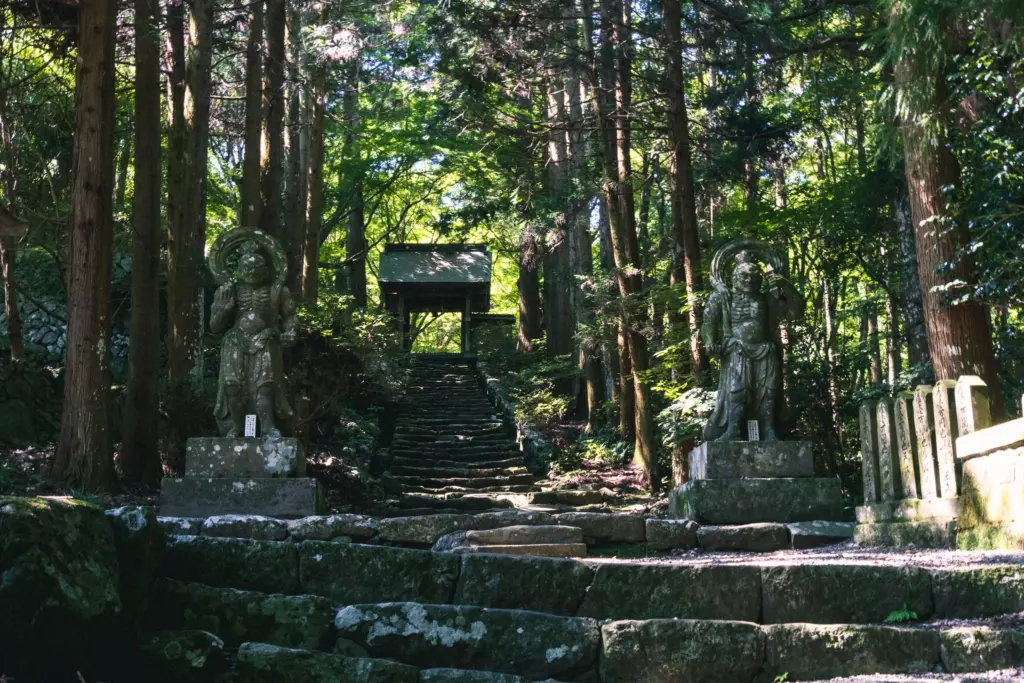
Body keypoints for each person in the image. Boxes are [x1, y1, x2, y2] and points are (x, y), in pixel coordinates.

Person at [701, 250, 803, 441]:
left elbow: (796, 312)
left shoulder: (766, 298)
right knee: (738, 389)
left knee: (770, 390)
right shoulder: (723, 297)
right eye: (744, 276)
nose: (749, 280)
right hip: (737, 348)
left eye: (754, 277)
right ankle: (733, 429)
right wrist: (709, 341)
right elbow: (708, 322)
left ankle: (769, 429)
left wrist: (784, 285)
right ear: (734, 278)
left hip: (765, 349)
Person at [211, 239, 298, 439]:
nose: (252, 271)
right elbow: (215, 327)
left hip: (265, 340)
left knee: (265, 386)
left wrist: (291, 331)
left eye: (257, 267)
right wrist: (223, 310)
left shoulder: (277, 291)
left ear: (266, 270)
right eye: (247, 267)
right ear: (238, 270)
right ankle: (237, 426)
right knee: (232, 386)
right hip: (235, 341)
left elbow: (290, 316)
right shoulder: (227, 292)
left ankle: (268, 427)